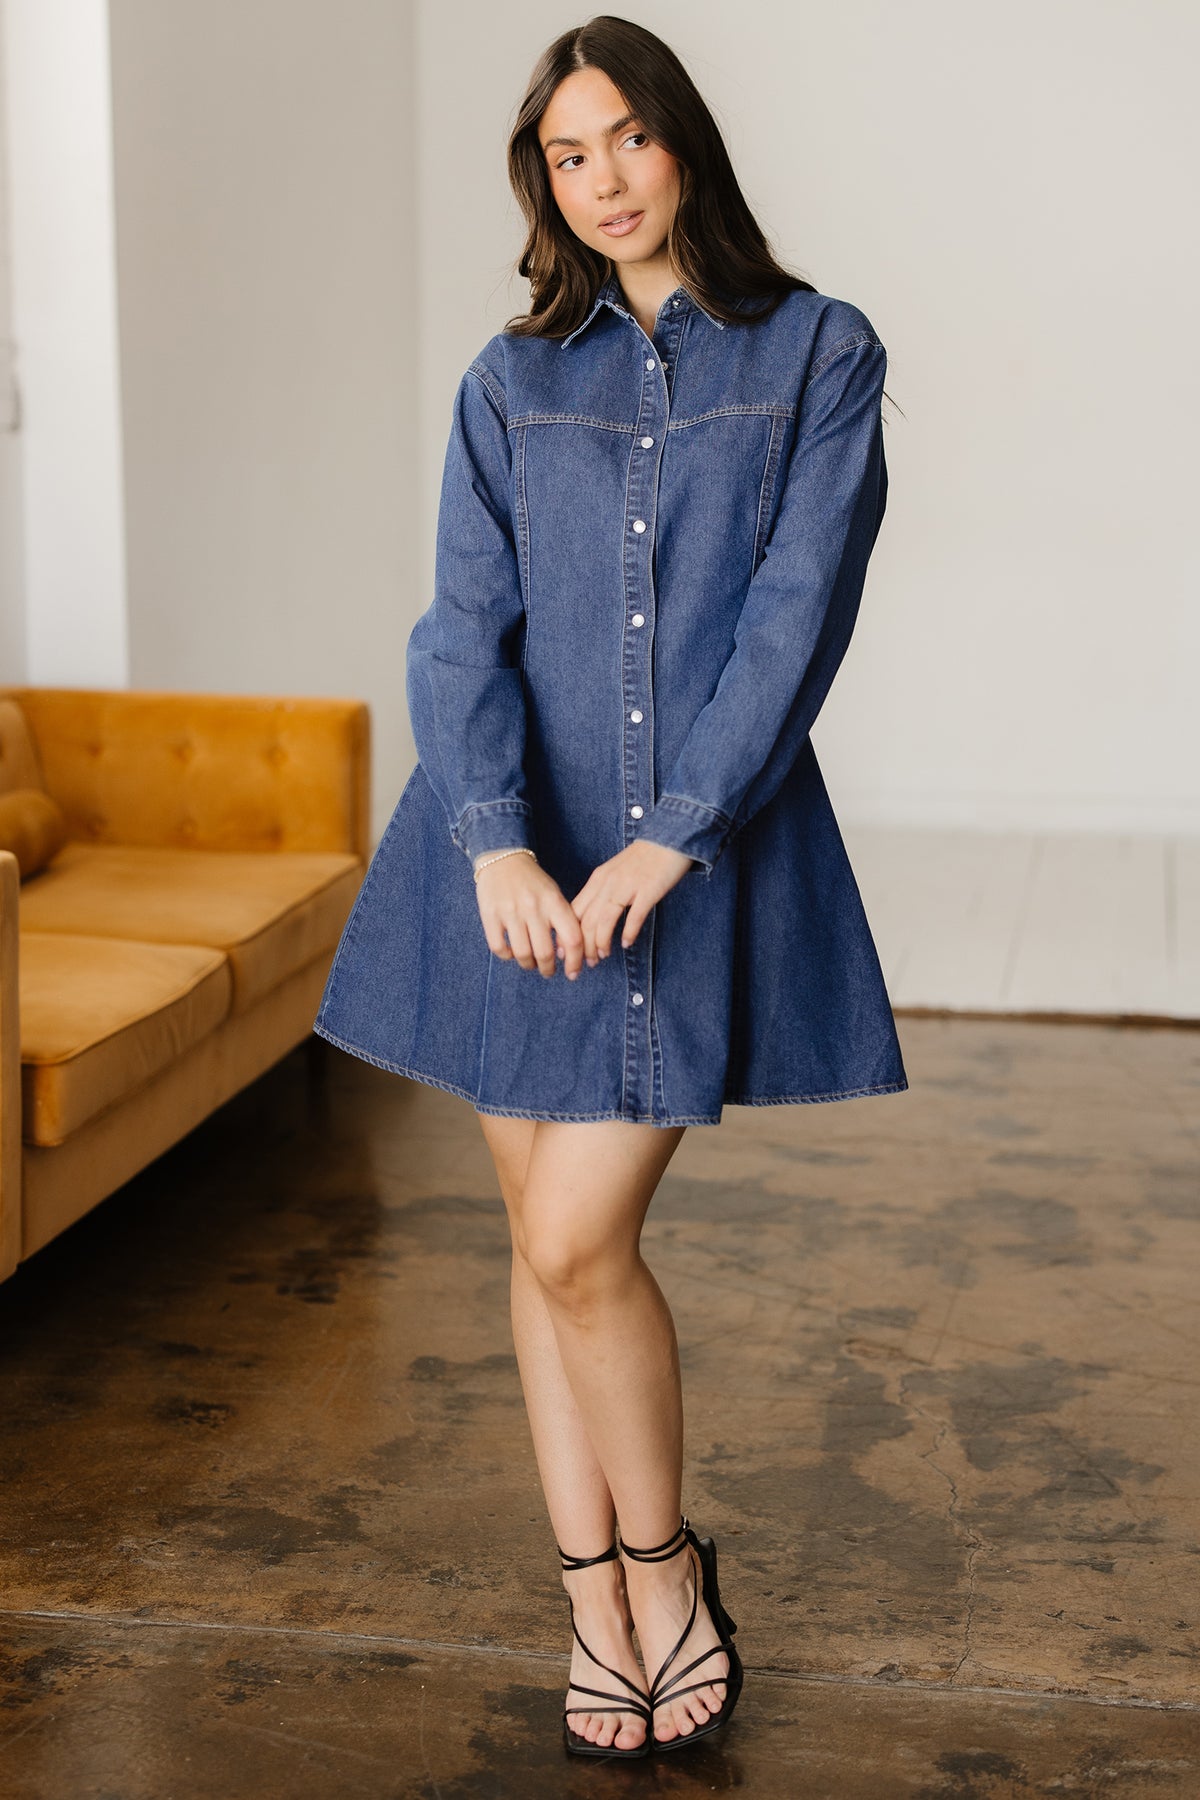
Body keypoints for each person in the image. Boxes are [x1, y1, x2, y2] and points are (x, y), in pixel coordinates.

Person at [314, 13, 908, 1761]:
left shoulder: (818, 351)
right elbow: (461, 630)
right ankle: (598, 1604)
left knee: (581, 1239)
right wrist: (496, 839)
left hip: (683, 860)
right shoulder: (510, 383)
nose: (603, 181)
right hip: (503, 864)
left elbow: (795, 620)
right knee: (539, 1241)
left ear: (684, 142)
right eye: (567, 157)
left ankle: (668, 1567)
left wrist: (674, 831)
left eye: (627, 139)